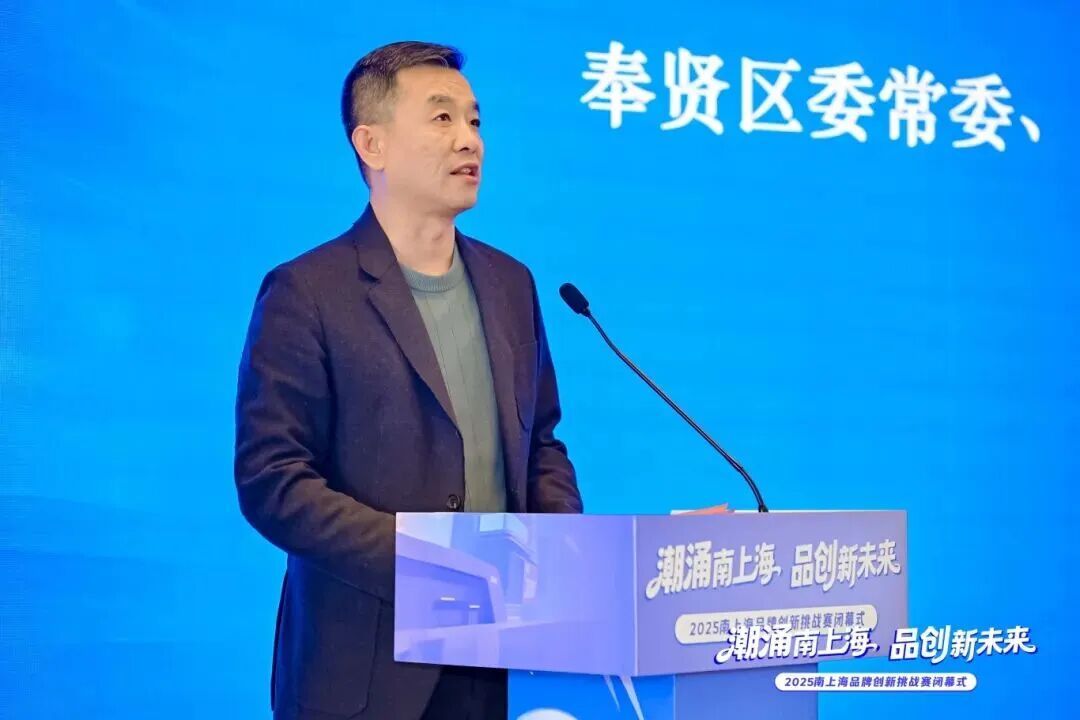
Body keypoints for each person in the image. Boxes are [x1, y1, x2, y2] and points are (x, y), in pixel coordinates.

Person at [234, 41, 583, 720]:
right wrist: (426, 562)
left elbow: (542, 443)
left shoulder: (512, 284)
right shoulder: (308, 292)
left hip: (504, 660)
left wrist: (563, 550)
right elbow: (273, 480)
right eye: (442, 117)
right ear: (372, 144)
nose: (469, 140)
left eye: (475, 121)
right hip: (367, 670)